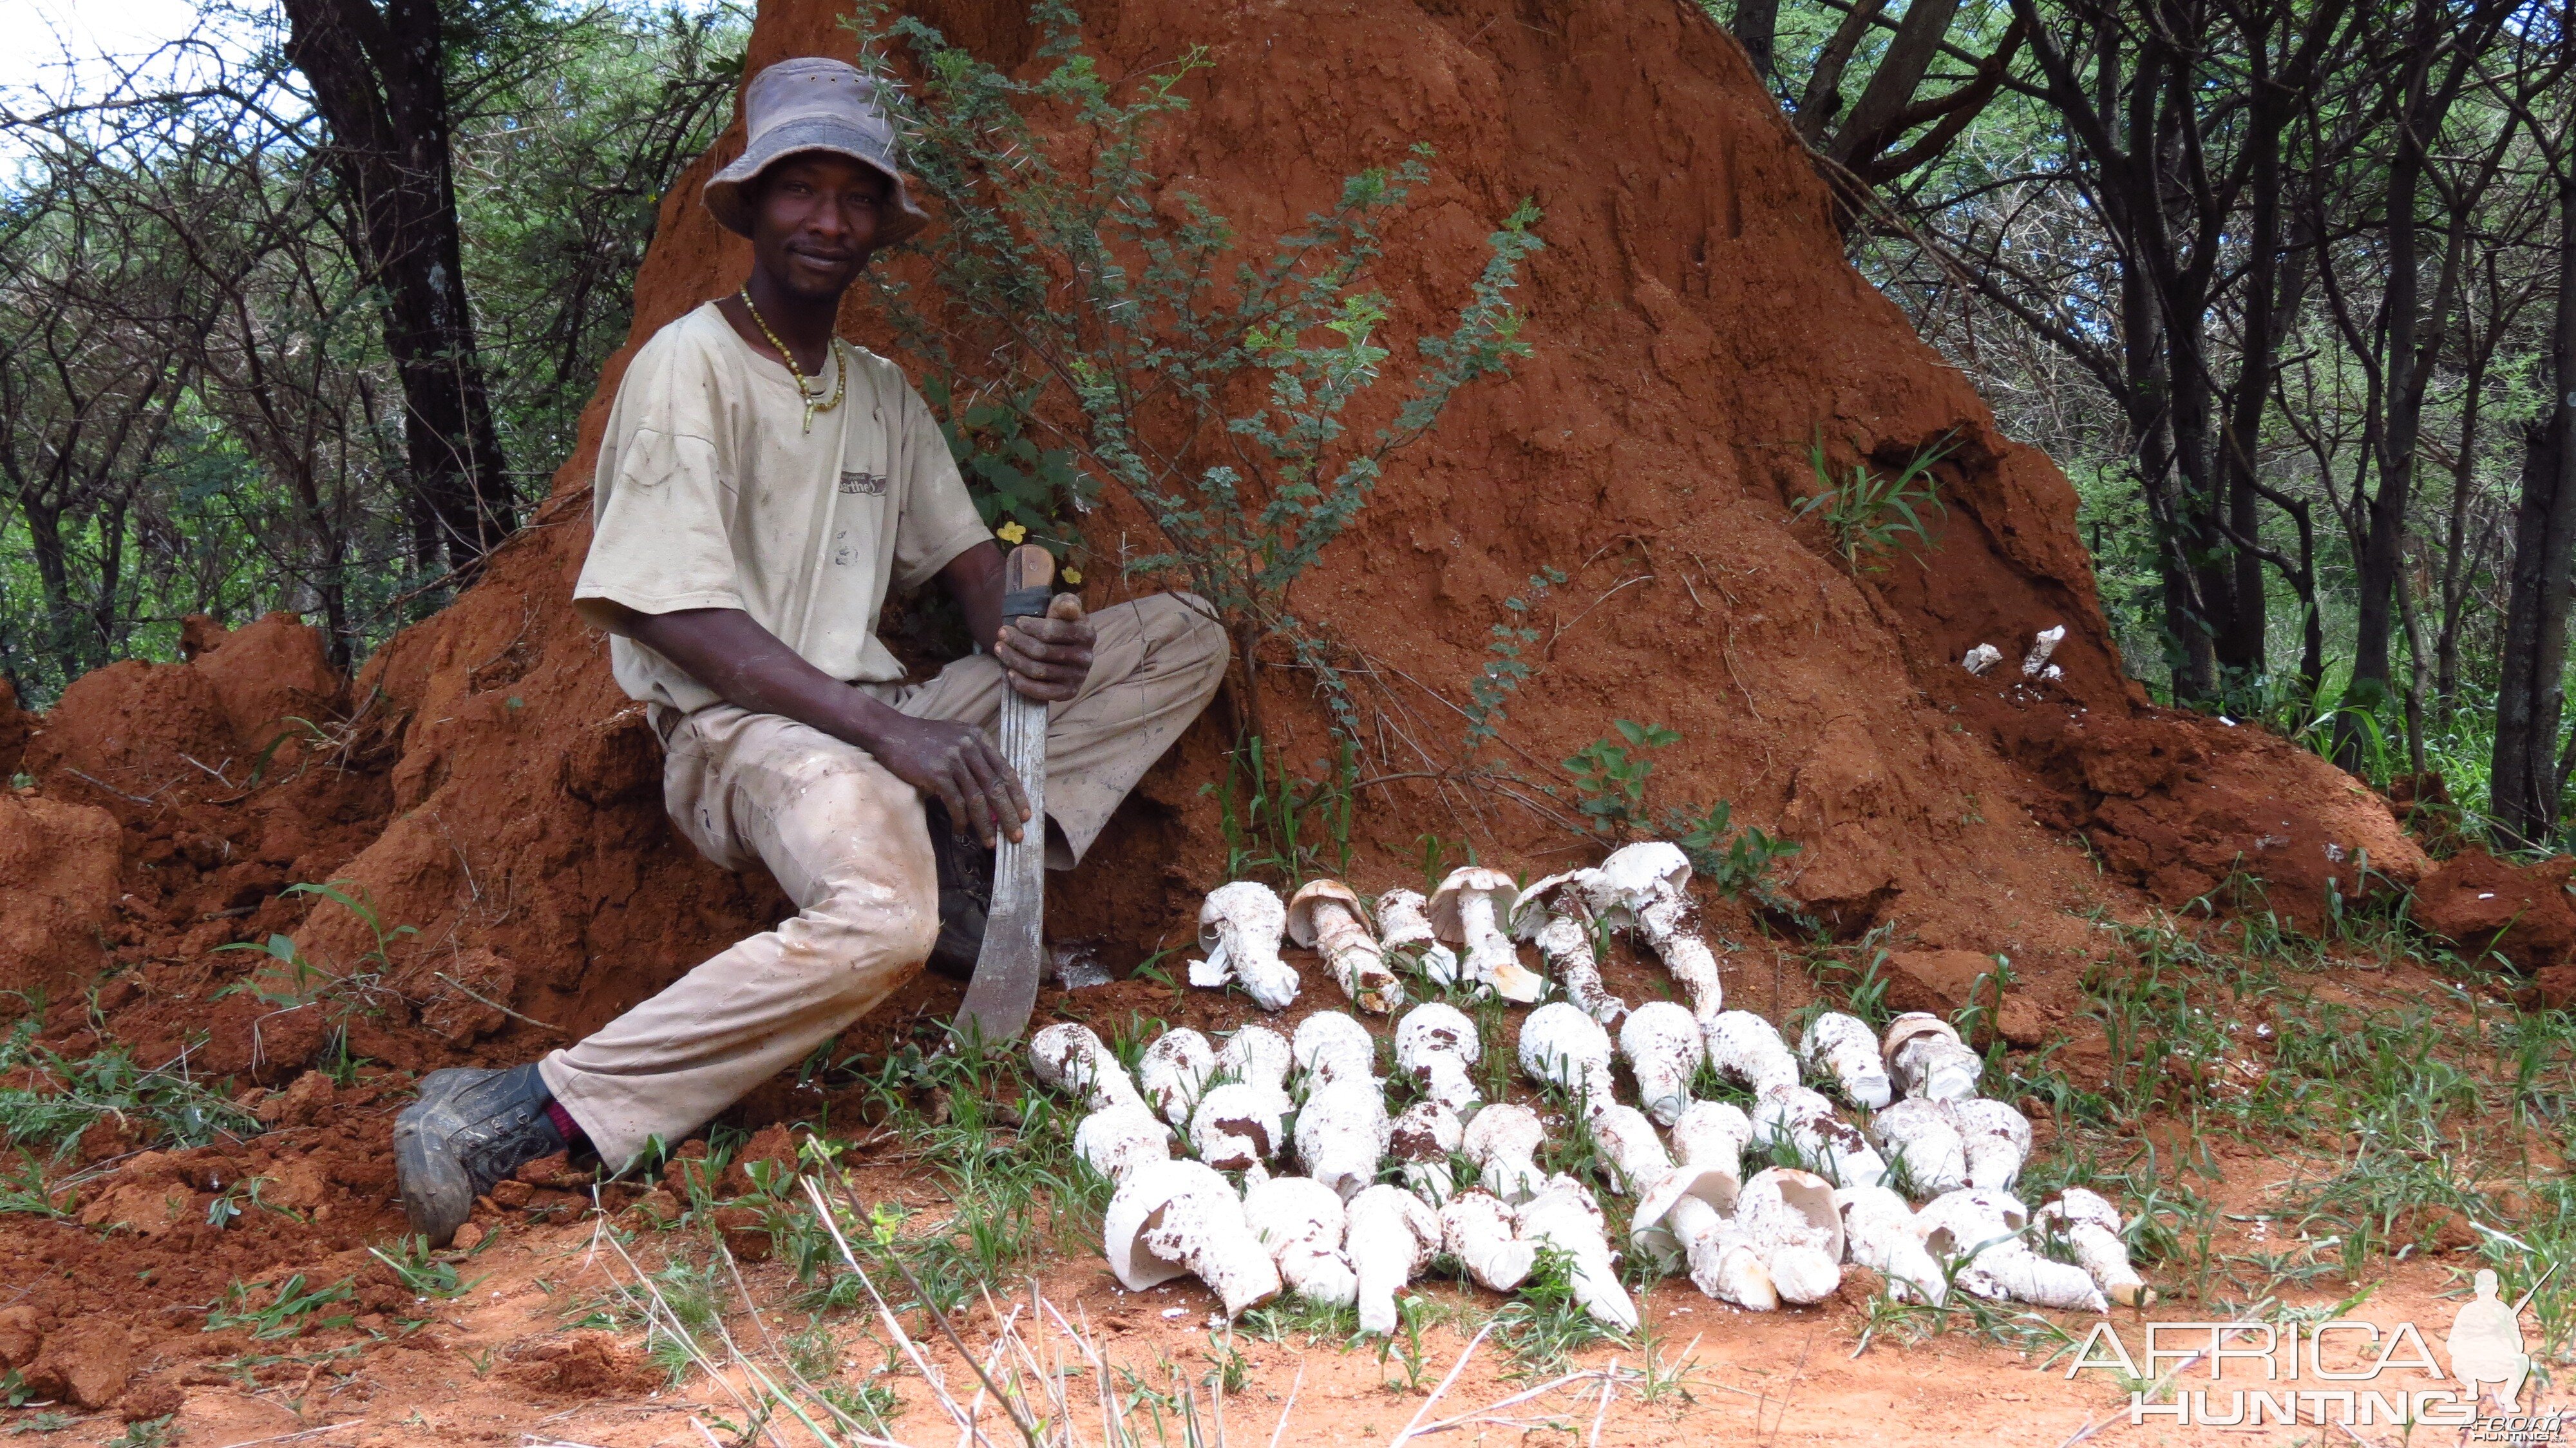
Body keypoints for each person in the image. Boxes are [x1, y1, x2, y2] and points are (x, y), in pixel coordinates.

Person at [391, 57, 1228, 1244]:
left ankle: (963, 864)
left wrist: (1030, 636)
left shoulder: (881, 390)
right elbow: (679, 618)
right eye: (801, 191)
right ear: (752, 206)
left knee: (1182, 636)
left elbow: (969, 569)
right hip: (747, 731)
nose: (829, 221)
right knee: (877, 923)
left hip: (886, 715)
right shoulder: (691, 366)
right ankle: (533, 1107)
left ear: (883, 222)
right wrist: (895, 732)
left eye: (855, 197)